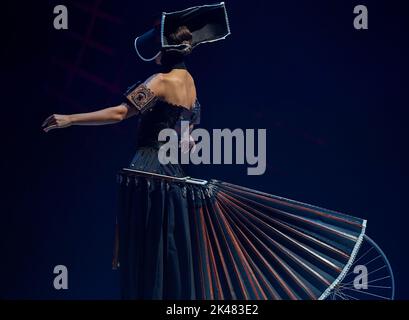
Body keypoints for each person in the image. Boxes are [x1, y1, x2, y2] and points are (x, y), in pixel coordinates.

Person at [42, 3, 366, 300]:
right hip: (174, 170)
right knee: (163, 246)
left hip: (150, 168)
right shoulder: (190, 82)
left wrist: (69, 119)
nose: (153, 55)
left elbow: (119, 113)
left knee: (148, 246)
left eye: (156, 48)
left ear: (164, 49)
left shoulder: (161, 80)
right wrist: (186, 139)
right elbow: (188, 128)